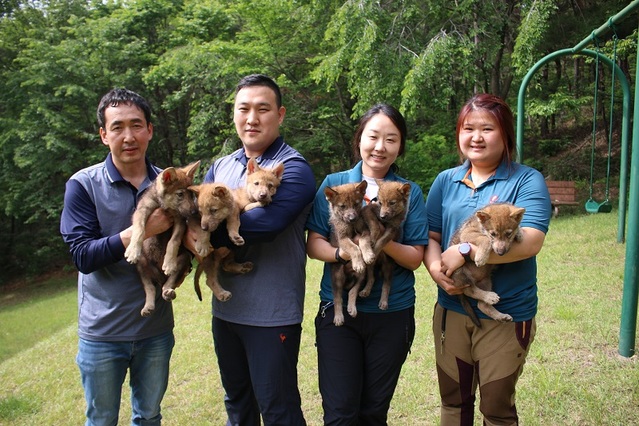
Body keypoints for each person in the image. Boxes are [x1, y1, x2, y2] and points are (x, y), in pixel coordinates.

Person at [424, 93, 552, 425]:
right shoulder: (445, 180)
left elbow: (532, 241)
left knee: (496, 409)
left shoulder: (526, 179)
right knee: (453, 402)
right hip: (451, 307)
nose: (476, 137)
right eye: (468, 128)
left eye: (487, 129)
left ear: (506, 134)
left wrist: (465, 250)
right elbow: (432, 237)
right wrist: (437, 272)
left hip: (508, 310)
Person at [198, 74, 315, 425]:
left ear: (279, 115)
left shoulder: (293, 169)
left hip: (272, 312)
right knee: (238, 404)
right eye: (243, 109)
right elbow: (197, 214)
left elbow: (265, 226)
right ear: (233, 114)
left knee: (278, 409)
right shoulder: (222, 166)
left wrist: (204, 235)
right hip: (227, 312)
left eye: (262, 109)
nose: (252, 118)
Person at [306, 103, 428, 425]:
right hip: (339, 314)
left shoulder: (408, 192)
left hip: (392, 313)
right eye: (373, 136)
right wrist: (344, 253)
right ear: (359, 138)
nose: (380, 147)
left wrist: (377, 242)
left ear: (400, 145)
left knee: (374, 413)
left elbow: (416, 257)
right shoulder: (335, 183)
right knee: (340, 414)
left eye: (391, 139)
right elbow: (314, 242)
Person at [60, 88, 176, 425]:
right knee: (102, 419)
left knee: (150, 416)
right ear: (103, 135)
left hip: (155, 329)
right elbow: (82, 256)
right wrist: (139, 232)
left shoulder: (168, 183)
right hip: (102, 334)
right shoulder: (83, 185)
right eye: (117, 127)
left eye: (137, 125)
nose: (129, 136)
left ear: (150, 130)